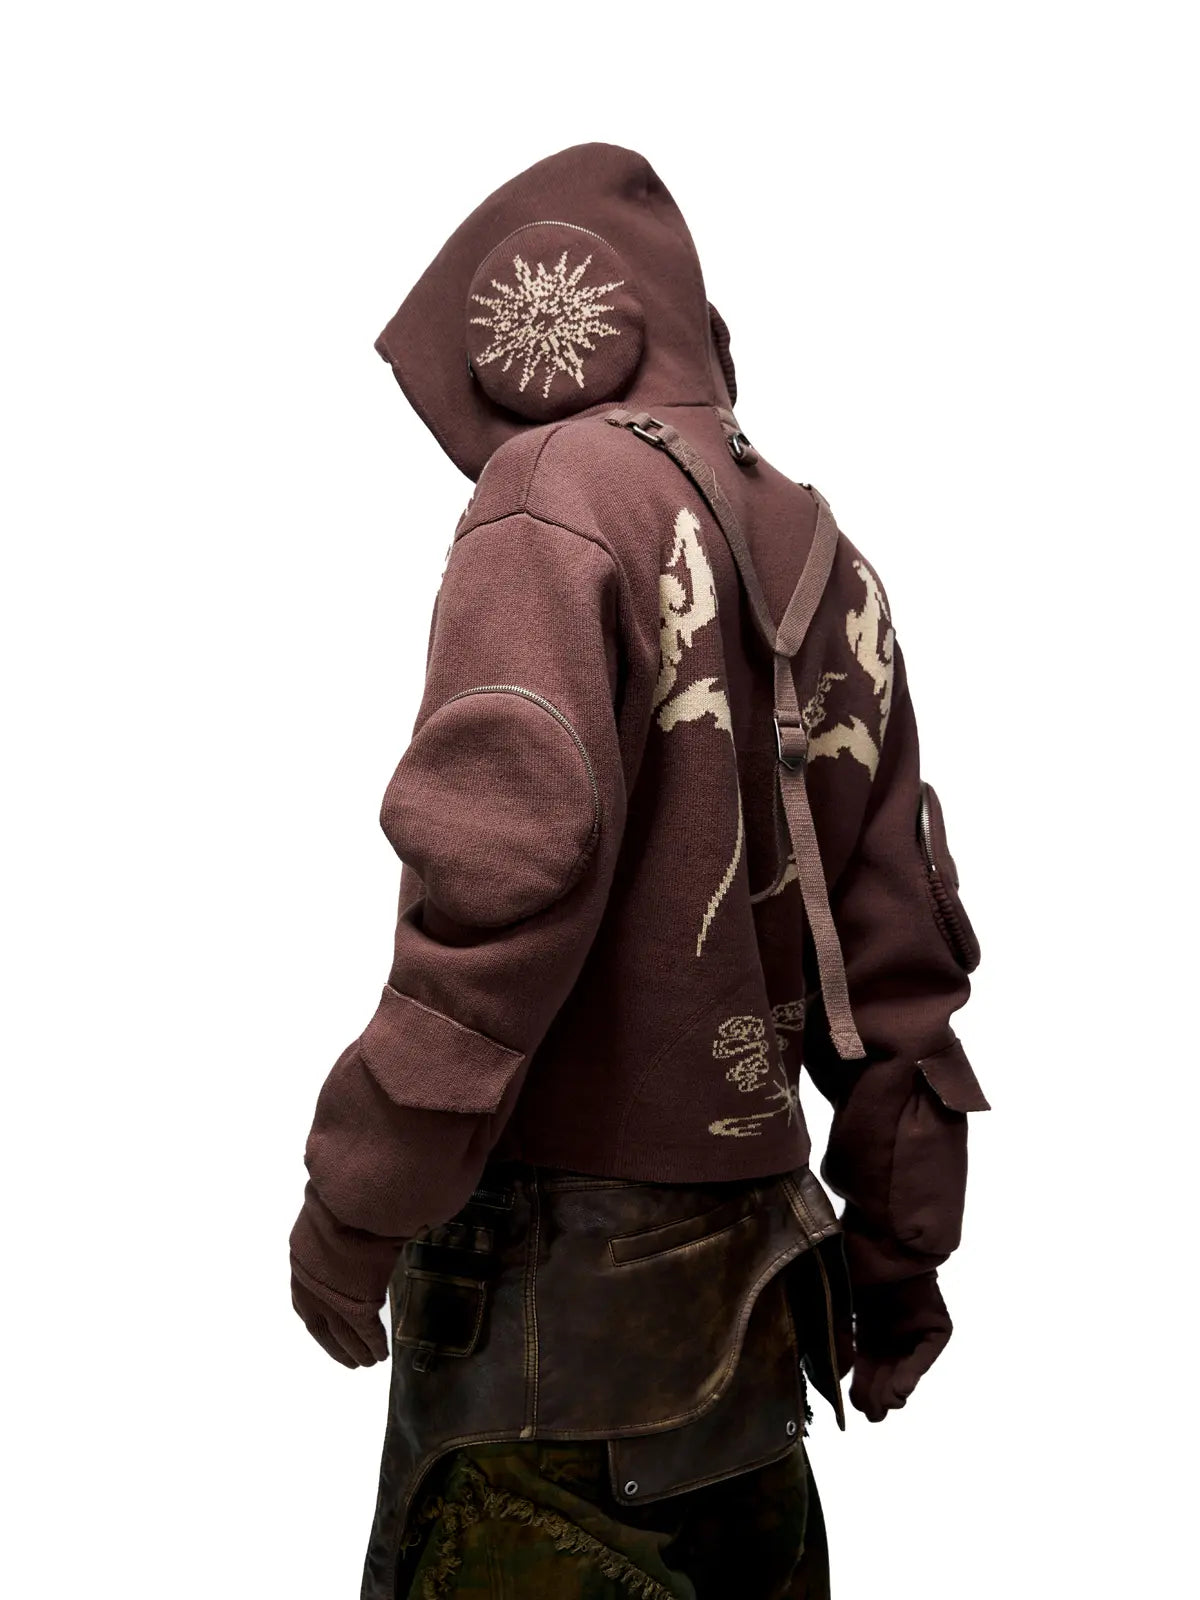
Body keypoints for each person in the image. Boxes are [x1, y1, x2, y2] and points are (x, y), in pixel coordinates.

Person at [289, 142, 989, 1600]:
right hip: (763, 1342)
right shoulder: (827, 553)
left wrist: (357, 1199)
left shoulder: (552, 490)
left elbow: (500, 884)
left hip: (554, 1352)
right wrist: (902, 1254)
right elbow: (896, 958)